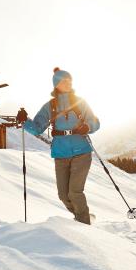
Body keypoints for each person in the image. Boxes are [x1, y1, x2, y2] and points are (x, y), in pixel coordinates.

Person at [16, 67, 100, 224]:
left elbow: (95, 122)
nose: (68, 83)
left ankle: (85, 226)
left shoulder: (80, 102)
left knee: (75, 192)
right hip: (60, 154)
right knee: (63, 195)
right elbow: (37, 128)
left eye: (70, 80)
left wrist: (88, 127)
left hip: (81, 152)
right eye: (64, 81)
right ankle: (83, 216)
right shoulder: (50, 106)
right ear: (56, 84)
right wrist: (24, 121)